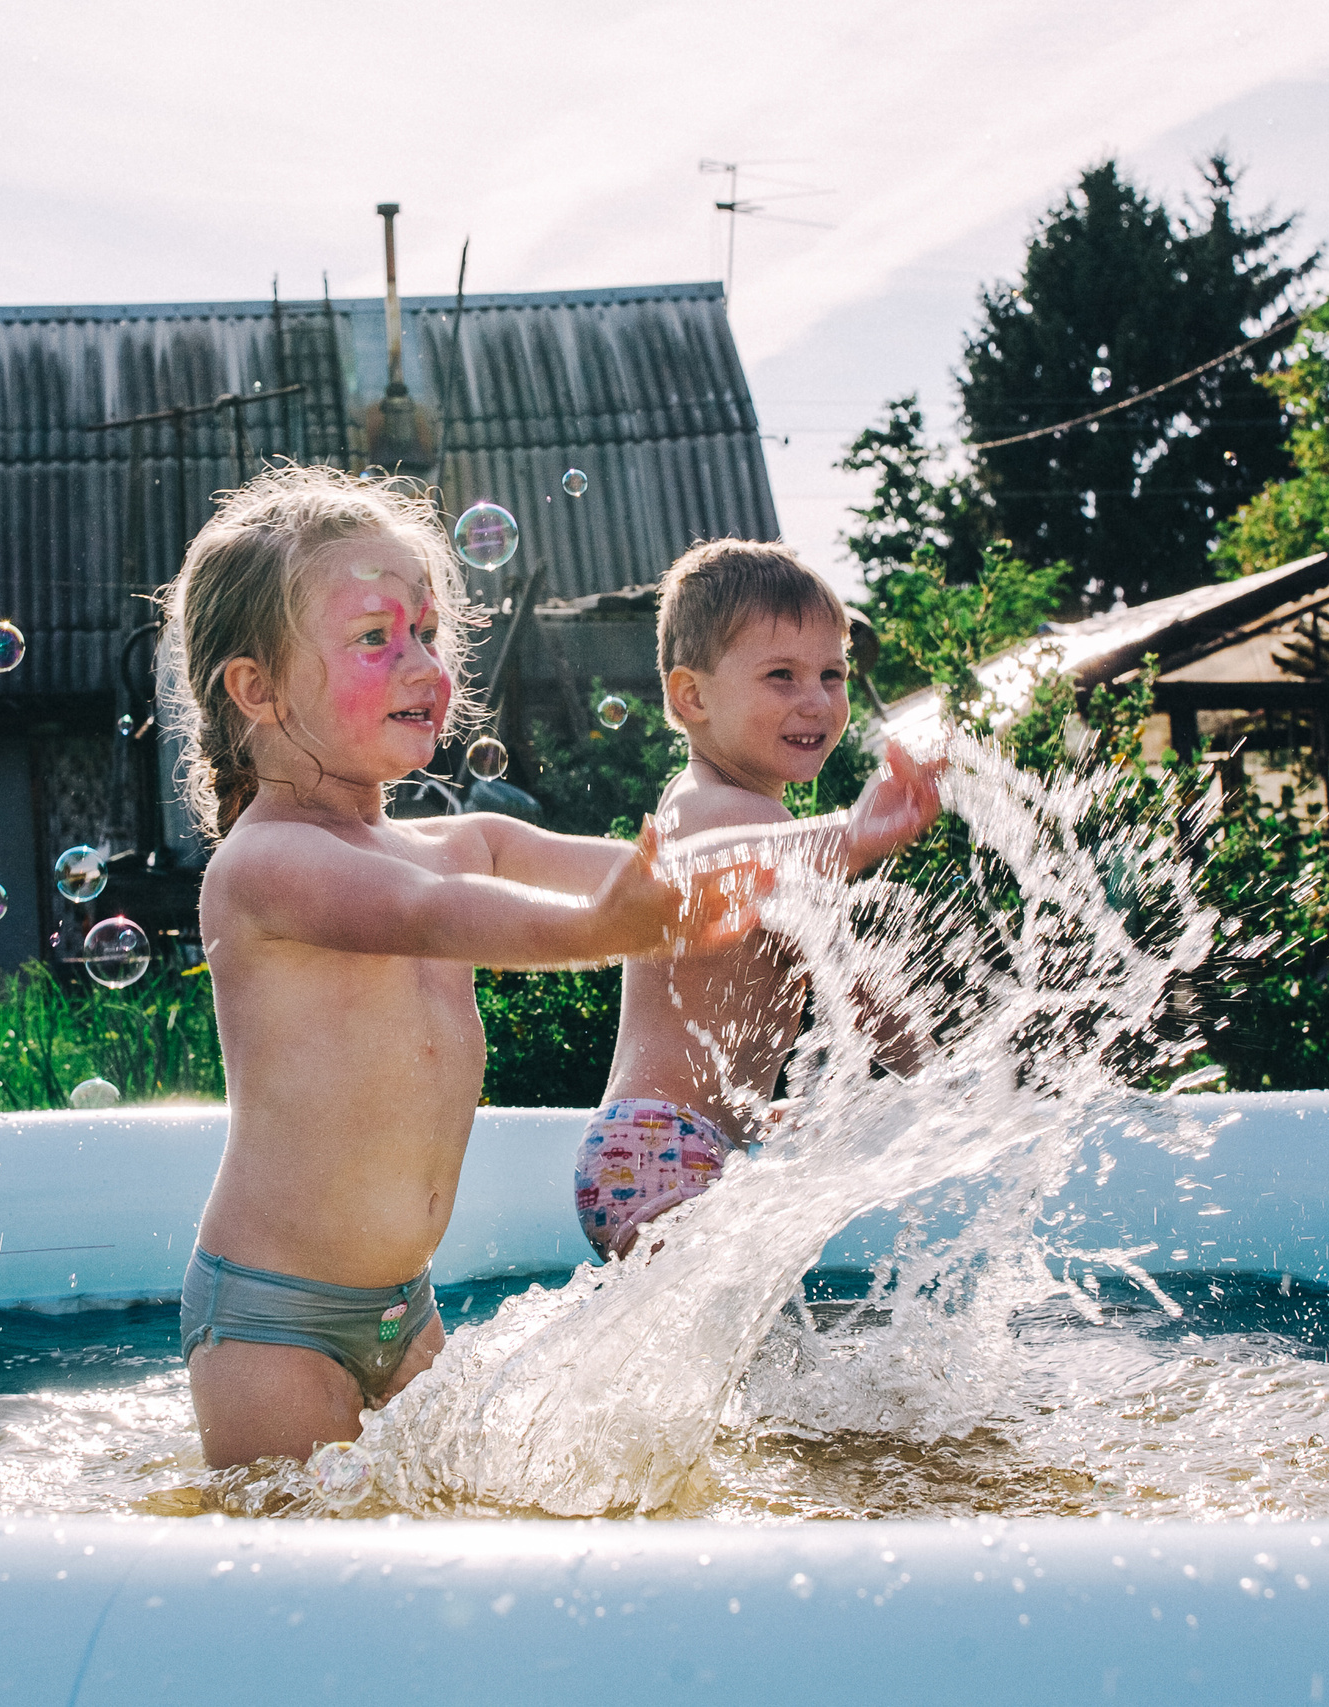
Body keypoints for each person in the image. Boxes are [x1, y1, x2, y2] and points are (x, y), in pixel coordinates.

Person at [166, 467, 773, 1470]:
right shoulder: (268, 866)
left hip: (404, 1311)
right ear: (256, 689)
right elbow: (443, 918)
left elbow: (688, 870)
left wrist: (845, 839)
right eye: (374, 638)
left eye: (425, 634)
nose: (419, 663)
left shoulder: (460, 839)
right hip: (274, 1326)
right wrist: (607, 924)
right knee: (302, 1573)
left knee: (429, 1541)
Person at [575, 539, 941, 1260]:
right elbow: (853, 978)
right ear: (693, 696)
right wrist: (941, 1081)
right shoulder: (730, 814)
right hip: (663, 1149)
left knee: (723, 1367)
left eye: (832, 675)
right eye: (782, 675)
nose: (816, 701)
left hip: (654, 1143)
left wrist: (756, 1115)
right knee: (739, 1362)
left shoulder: (702, 803)